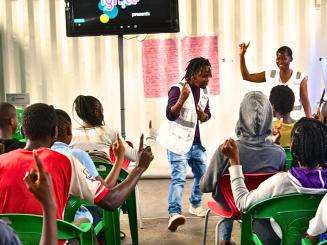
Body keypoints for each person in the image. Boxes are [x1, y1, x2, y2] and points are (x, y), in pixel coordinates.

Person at [0, 103, 153, 221]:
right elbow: (111, 201)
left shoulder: (2, 161)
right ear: (55, 132)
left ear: (22, 131)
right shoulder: (64, 162)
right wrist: (140, 167)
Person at [221, 118, 327, 244]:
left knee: (257, 222)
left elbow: (242, 203)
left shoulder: (281, 182)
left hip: (278, 238)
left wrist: (234, 161)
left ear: (292, 146)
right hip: (319, 240)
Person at [200, 91, 285, 245]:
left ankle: (223, 241)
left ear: (241, 117)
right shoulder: (279, 153)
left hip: (232, 206)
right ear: (269, 118)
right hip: (263, 208)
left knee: (226, 193)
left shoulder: (226, 150)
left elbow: (205, 186)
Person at [157, 57, 212, 231]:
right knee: (179, 178)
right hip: (177, 143)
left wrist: (203, 115)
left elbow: (207, 115)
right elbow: (170, 115)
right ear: (194, 74)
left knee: (203, 175)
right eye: (204, 76)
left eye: (209, 76)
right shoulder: (178, 88)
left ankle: (195, 205)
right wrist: (182, 99)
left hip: (195, 142)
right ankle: (174, 214)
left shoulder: (204, 91)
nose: (207, 79)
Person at [52, 108, 125, 224]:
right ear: (68, 130)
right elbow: (106, 191)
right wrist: (119, 159)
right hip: (73, 218)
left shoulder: (32, 155)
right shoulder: (76, 155)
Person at [239, 42, 312, 118]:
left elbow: (305, 101)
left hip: (294, 121)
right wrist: (242, 56)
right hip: (274, 123)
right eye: (278, 58)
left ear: (291, 59)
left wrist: (310, 121)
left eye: (284, 58)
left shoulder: (300, 77)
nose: (280, 62)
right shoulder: (271, 74)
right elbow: (247, 77)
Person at [0, 150, 57, 245]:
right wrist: (48, 205)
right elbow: (90, 193)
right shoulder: (66, 160)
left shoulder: (2, 160)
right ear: (54, 134)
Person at [70, 95, 138, 161]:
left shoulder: (71, 135)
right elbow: (133, 156)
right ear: (97, 112)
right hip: (104, 172)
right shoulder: (108, 131)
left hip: (79, 172)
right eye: (102, 110)